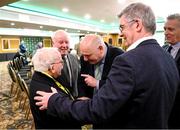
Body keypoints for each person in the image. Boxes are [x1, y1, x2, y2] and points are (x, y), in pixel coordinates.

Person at [34, 3, 179, 129]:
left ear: (137, 24)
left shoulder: (127, 60)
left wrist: (54, 101)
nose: (121, 34)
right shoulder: (167, 57)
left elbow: (97, 110)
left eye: (122, 27)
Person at [29, 47, 81, 129]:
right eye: (61, 62)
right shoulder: (46, 92)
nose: (63, 65)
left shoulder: (40, 76)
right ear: (52, 68)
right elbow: (65, 118)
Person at [78, 34, 124, 98]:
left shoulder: (119, 56)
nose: (85, 59)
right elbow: (81, 81)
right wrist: (82, 96)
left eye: (88, 55)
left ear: (100, 49)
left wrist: (97, 83)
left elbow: (120, 85)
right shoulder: (84, 58)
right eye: (83, 55)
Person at [163, 13, 180, 128]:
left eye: (170, 29)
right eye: (164, 29)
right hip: (162, 110)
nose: (165, 33)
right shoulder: (162, 49)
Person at [51, 30, 80, 98]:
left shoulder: (74, 58)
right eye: (61, 42)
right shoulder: (47, 61)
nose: (64, 45)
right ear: (53, 43)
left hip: (75, 99)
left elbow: (78, 79)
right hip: (58, 101)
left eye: (67, 42)